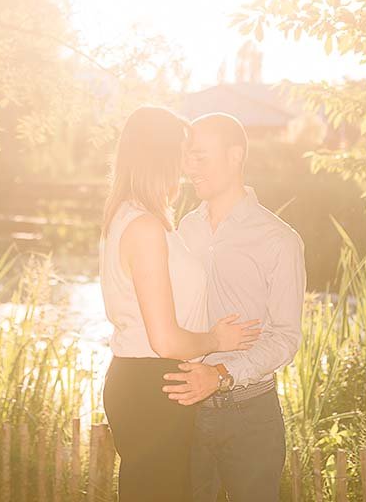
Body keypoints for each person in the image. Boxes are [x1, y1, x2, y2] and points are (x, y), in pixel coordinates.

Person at [99, 105, 262, 502]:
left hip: (148, 383)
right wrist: (216, 340)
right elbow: (166, 341)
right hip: (154, 385)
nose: (187, 165)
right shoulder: (144, 227)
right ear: (160, 155)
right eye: (182, 152)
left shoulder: (136, 217)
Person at [162, 112, 307, 502]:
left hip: (250, 417)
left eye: (200, 157)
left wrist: (223, 374)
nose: (189, 167)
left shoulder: (279, 239)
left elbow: (285, 337)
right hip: (182, 411)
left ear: (235, 156)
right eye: (186, 157)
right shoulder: (180, 231)